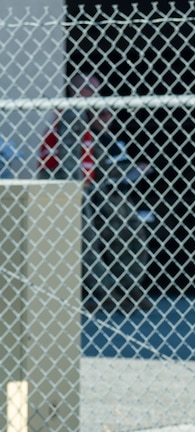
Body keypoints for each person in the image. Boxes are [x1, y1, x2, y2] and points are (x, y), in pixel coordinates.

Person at [39, 73, 153, 313]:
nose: (94, 95)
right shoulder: (71, 112)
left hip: (82, 186)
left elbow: (98, 158)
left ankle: (125, 287)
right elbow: (69, 155)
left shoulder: (83, 116)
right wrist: (74, 189)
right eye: (88, 89)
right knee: (87, 241)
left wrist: (127, 170)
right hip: (66, 186)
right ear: (74, 90)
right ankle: (107, 292)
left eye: (96, 90)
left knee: (119, 231)